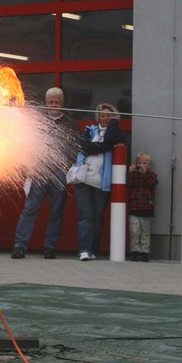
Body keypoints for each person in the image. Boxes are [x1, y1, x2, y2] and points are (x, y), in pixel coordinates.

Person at [11, 87, 78, 260]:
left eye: (57, 102)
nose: (54, 105)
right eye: (51, 102)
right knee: (30, 209)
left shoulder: (71, 124)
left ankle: (50, 247)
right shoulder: (38, 122)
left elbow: (74, 149)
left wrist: (67, 168)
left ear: (62, 103)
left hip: (59, 172)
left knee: (56, 212)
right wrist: (28, 168)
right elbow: (27, 145)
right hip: (38, 170)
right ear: (46, 102)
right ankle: (19, 246)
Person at [72, 103, 126, 261]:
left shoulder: (116, 132)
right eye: (103, 115)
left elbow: (112, 139)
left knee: (97, 217)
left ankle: (93, 249)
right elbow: (86, 147)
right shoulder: (89, 130)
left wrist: (114, 124)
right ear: (98, 117)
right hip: (83, 179)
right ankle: (84, 250)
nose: (106, 118)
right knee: (86, 215)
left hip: (102, 182)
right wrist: (106, 146)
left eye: (109, 115)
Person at [127, 152, 157, 262]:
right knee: (134, 231)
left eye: (144, 163)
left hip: (147, 207)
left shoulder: (152, 175)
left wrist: (144, 174)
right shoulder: (134, 175)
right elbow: (129, 185)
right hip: (134, 207)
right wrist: (131, 172)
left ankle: (145, 252)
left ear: (149, 165)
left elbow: (152, 183)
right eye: (139, 163)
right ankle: (135, 251)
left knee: (145, 232)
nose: (141, 165)